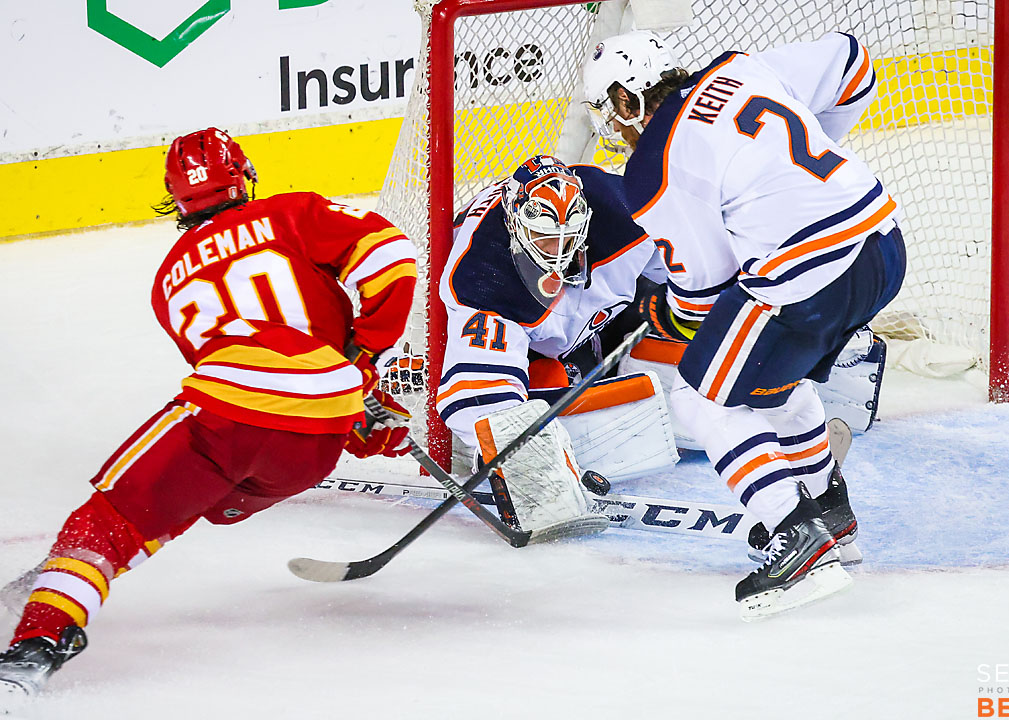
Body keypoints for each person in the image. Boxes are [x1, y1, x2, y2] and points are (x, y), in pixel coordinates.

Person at [0, 127, 417, 697]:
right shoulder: (289, 213)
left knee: (122, 517)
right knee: (226, 478)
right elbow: (392, 256)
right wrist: (362, 367)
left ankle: (49, 623)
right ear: (244, 176)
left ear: (178, 200)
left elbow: (256, 390)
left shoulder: (167, 283)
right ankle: (82, 573)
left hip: (235, 423)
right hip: (312, 441)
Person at [583, 30, 906, 619]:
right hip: (882, 245)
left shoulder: (652, 168)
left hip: (808, 277)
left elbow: (704, 292)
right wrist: (791, 186)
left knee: (703, 396)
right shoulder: (741, 69)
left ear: (629, 100)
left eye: (612, 111)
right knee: (765, 377)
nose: (615, 128)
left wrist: (659, 310)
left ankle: (795, 532)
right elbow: (852, 61)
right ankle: (830, 511)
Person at [435, 154, 674, 534]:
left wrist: (677, 310)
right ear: (515, 223)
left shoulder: (626, 211)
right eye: (545, 239)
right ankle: (424, 372)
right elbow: (480, 398)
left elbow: (699, 275)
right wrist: (524, 466)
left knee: (688, 340)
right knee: (535, 403)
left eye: (568, 239)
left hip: (600, 323)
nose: (557, 254)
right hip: (532, 349)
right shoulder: (479, 275)